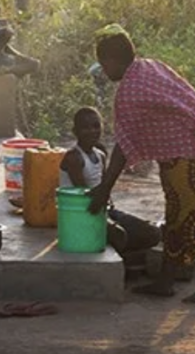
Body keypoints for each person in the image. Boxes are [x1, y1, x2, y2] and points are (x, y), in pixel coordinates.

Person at [90, 28, 195, 303]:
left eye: (104, 64)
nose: (104, 71)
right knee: (178, 218)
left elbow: (122, 147)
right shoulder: (150, 67)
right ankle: (165, 281)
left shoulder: (129, 91)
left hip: (187, 159)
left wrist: (104, 188)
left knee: (189, 220)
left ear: (114, 60)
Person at [59, 104, 158, 266]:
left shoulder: (101, 155)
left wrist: (109, 211)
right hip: (83, 213)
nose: (92, 131)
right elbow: (85, 198)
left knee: (152, 233)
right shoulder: (74, 158)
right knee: (120, 235)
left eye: (96, 126)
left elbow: (105, 188)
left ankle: (128, 260)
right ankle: (127, 262)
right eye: (85, 128)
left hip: (104, 209)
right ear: (75, 132)